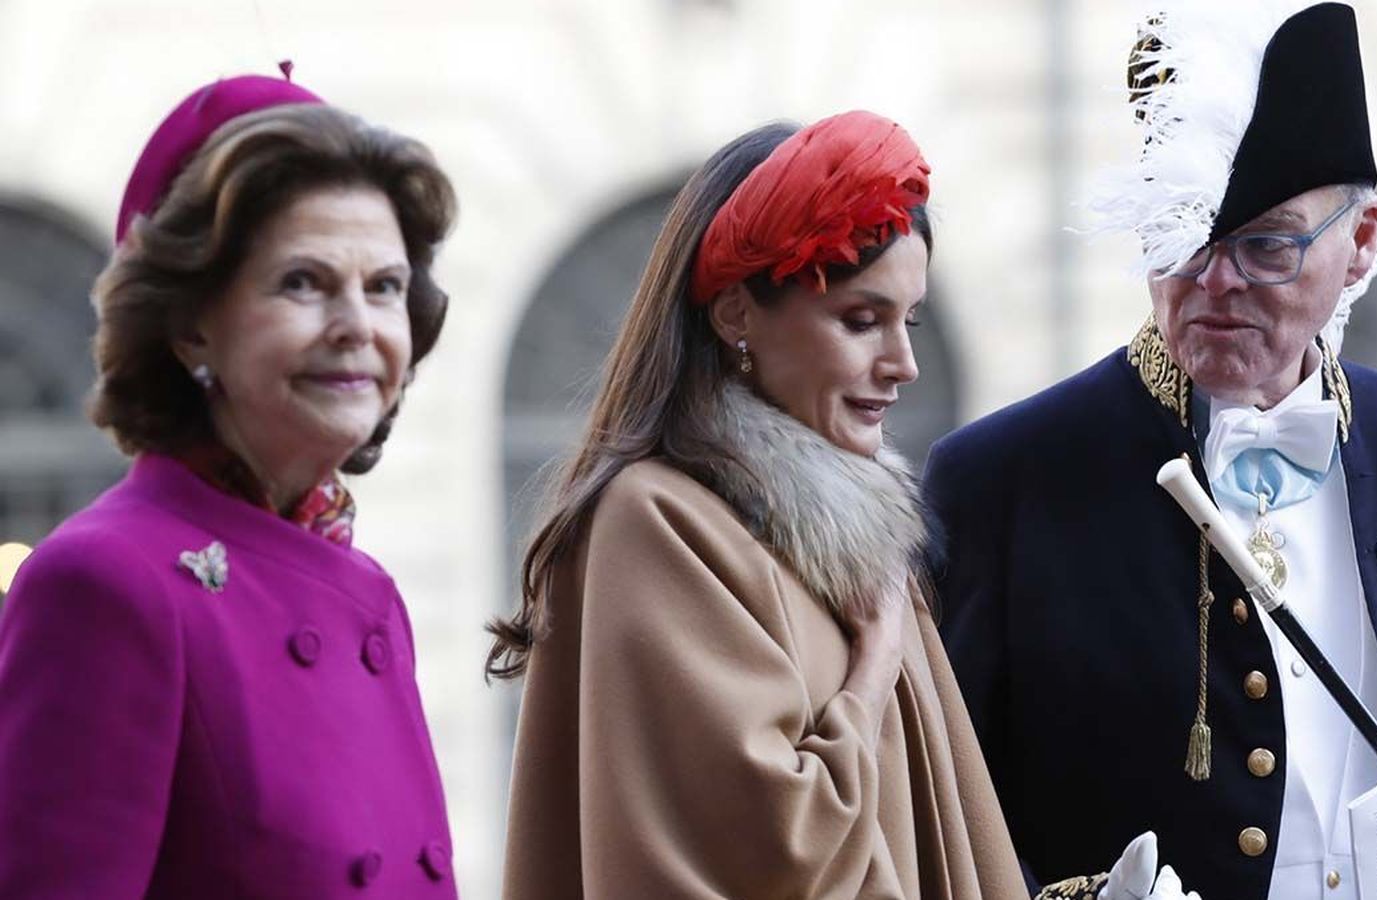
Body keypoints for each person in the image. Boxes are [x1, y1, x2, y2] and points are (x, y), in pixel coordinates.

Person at [924, 4, 1377, 900]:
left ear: (1362, 243)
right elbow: (939, 810)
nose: (1216, 282)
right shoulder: (1001, 481)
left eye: (1265, 246)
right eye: (1182, 240)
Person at [486, 110, 1029, 900]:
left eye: (907, 321)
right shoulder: (658, 526)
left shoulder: (859, 533)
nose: (904, 363)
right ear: (737, 312)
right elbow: (774, 853)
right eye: (860, 320)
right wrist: (874, 664)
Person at [0, 71, 460, 897]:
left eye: (384, 287)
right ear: (188, 326)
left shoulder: (369, 591)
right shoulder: (104, 584)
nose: (358, 325)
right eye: (304, 283)